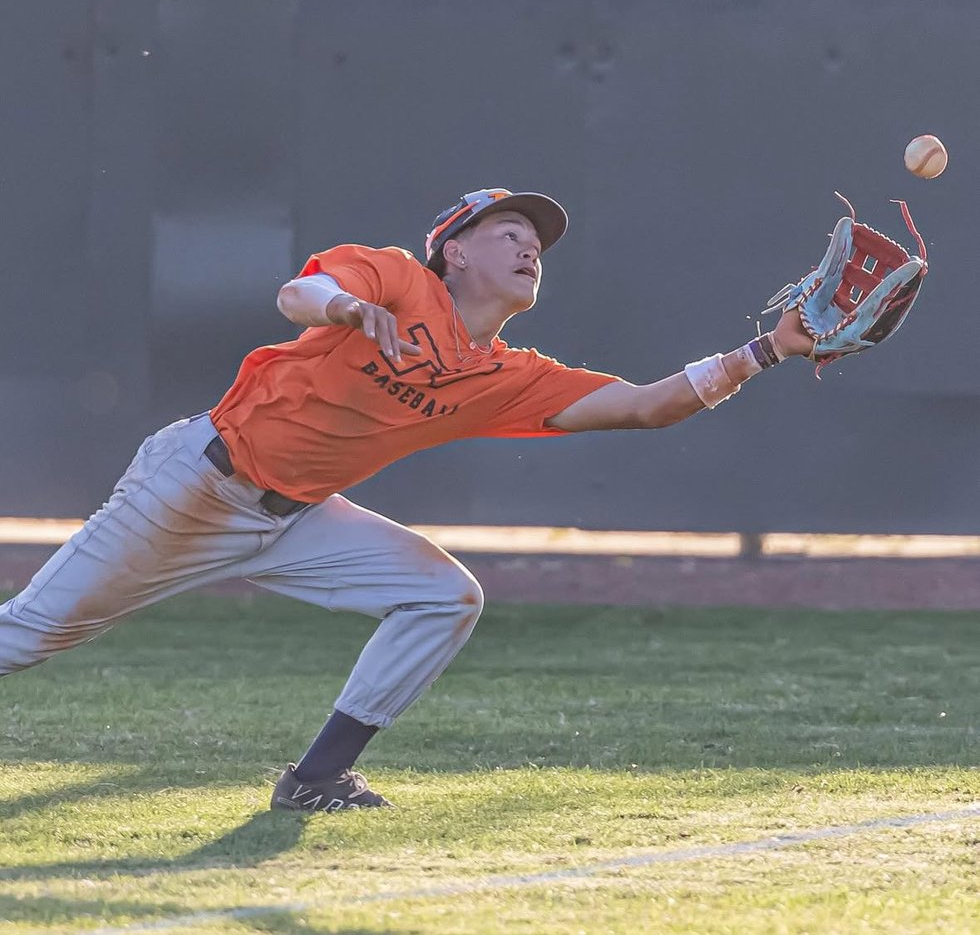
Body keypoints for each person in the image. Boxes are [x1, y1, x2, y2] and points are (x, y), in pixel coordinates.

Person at [0, 187, 814, 812]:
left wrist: (765, 350)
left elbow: (646, 404)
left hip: (296, 517)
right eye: (510, 236)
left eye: (538, 246)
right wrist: (352, 308)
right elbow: (298, 295)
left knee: (443, 595)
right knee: (25, 640)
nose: (532, 251)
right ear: (453, 252)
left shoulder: (508, 375)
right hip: (197, 484)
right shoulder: (393, 279)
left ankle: (317, 778)